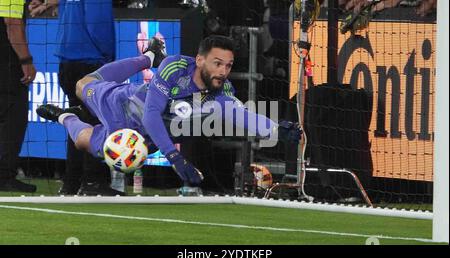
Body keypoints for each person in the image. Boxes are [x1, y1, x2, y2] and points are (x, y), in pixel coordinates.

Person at [36, 35, 301, 195]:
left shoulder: (222, 91)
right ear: (199, 60)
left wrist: (275, 130)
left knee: (85, 142)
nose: (223, 71)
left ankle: (63, 116)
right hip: (124, 107)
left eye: (228, 66)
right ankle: (148, 58)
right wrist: (175, 158)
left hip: (145, 139)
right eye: (217, 63)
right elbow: (151, 114)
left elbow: (241, 115)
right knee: (82, 84)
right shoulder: (175, 66)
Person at [29, 0, 119, 196]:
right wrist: (110, 59)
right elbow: (97, 24)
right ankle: (94, 182)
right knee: (97, 122)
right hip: (90, 61)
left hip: (67, 62)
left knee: (77, 123)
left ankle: (71, 182)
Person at [0, 0, 37, 192]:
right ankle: (4, 175)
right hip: (6, 61)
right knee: (14, 116)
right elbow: (12, 24)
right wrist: (26, 60)